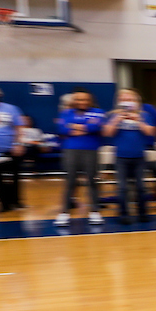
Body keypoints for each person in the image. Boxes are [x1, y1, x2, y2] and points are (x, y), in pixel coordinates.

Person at [103, 89, 156, 223]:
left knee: (141, 186)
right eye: (123, 99)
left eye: (130, 99)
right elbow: (107, 133)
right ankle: (124, 214)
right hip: (121, 156)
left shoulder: (144, 115)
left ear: (136, 102)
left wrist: (139, 121)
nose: (127, 102)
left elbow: (151, 132)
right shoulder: (112, 115)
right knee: (122, 187)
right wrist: (117, 119)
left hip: (139, 156)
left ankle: (142, 213)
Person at [55, 91, 107, 226]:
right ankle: (64, 213)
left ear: (90, 101)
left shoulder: (98, 112)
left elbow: (96, 126)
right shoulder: (66, 112)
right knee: (70, 181)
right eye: (78, 100)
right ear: (74, 101)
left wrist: (74, 126)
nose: (82, 102)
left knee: (92, 180)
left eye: (85, 100)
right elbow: (61, 128)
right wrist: (85, 128)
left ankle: (95, 211)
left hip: (91, 149)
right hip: (70, 150)